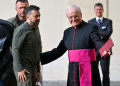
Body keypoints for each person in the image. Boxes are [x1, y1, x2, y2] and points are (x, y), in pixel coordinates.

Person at [40, 5, 111, 86]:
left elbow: (97, 41)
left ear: (81, 14)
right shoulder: (67, 32)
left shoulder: (91, 28)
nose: (73, 19)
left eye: (76, 16)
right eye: (70, 17)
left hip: (89, 70)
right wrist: (39, 58)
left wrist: (103, 50)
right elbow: (58, 51)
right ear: (67, 17)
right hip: (73, 71)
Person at [12, 5, 42, 86]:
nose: (39, 18)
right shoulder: (21, 30)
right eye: (36, 16)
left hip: (33, 70)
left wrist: (38, 70)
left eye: (39, 15)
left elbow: (37, 50)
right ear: (28, 17)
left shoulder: (35, 28)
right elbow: (15, 49)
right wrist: (19, 69)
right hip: (24, 72)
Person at [88, 3, 113, 86]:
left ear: (102, 10)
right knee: (94, 72)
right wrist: (102, 33)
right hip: (94, 50)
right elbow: (90, 34)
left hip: (106, 49)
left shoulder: (108, 21)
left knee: (105, 72)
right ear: (95, 11)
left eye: (100, 9)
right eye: (97, 9)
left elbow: (108, 33)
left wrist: (96, 33)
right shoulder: (90, 22)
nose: (98, 11)